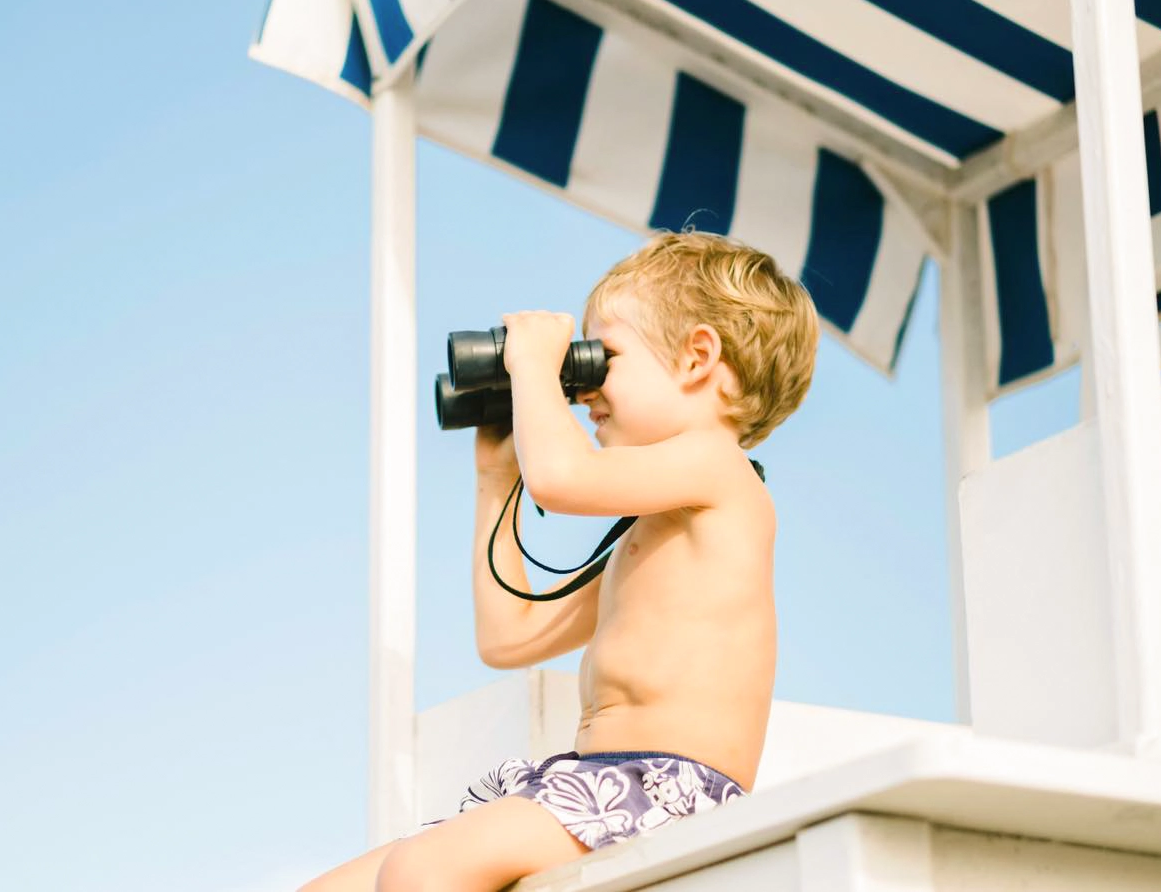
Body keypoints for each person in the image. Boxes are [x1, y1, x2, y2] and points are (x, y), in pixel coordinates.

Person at [300, 230, 820, 891]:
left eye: (604, 358)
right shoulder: (654, 535)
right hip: (592, 785)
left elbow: (562, 477)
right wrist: (497, 479)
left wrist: (534, 368)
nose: (584, 389)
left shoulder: (720, 467)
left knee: (423, 869)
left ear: (697, 358)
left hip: (667, 789)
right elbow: (509, 637)